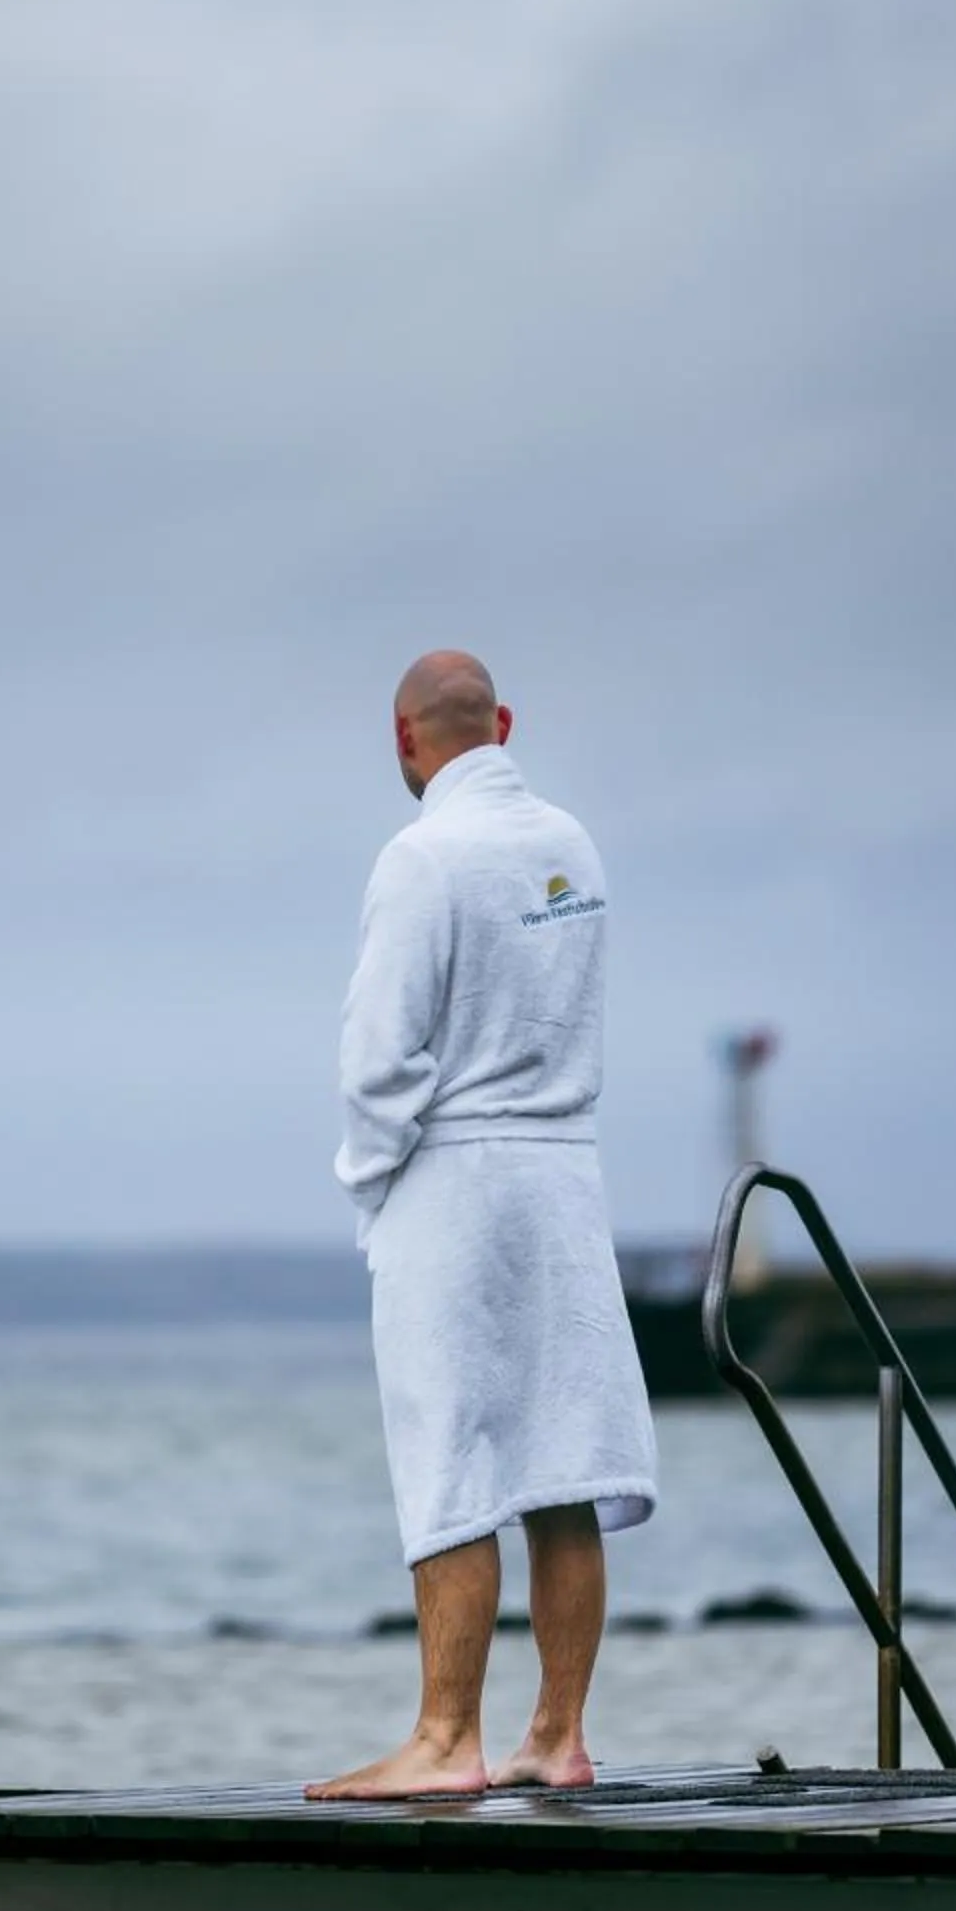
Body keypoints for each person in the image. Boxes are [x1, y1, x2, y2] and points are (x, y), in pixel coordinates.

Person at [307, 650, 657, 1801]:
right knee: (563, 1458)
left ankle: (446, 1735)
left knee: (447, 1449)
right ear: (501, 722)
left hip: (453, 1183)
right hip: (562, 1175)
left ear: (402, 741)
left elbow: (377, 1059)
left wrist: (372, 1187)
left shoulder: (421, 858)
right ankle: (556, 1733)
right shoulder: (572, 847)